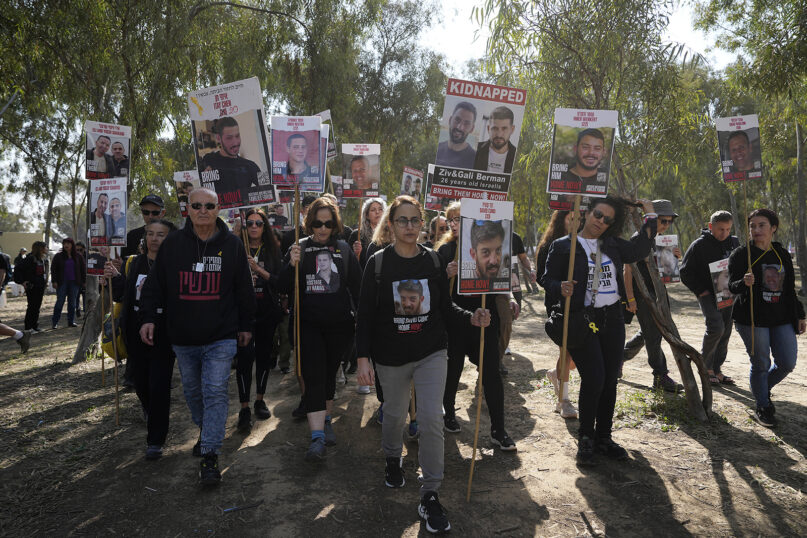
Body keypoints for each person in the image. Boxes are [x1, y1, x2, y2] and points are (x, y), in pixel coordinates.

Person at [356, 195, 490, 535]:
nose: (410, 226)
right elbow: (366, 317)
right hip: (390, 356)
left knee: (431, 419)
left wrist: (471, 317)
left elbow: (445, 307)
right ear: (390, 224)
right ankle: (391, 458)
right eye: (402, 220)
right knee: (395, 415)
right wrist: (362, 358)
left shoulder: (431, 261)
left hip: (432, 351)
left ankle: (430, 493)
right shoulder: (378, 264)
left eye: (416, 220)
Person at [139, 187, 256, 485]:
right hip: (183, 338)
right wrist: (149, 319)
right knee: (193, 393)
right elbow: (155, 286)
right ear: (187, 209)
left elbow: (244, 289)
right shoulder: (173, 244)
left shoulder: (232, 245)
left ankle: (210, 456)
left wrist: (246, 326)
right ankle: (208, 432)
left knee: (215, 391)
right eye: (197, 205)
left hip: (222, 336)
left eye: (209, 205)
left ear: (218, 209)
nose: (203, 210)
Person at [543, 197, 656, 465]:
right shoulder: (564, 246)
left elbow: (640, 248)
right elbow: (545, 278)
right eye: (598, 214)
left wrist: (649, 213)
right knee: (594, 378)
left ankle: (604, 437)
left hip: (612, 319)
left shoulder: (613, 244)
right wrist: (560, 286)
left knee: (609, 380)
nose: (600, 221)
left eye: (607, 219)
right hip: (581, 320)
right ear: (587, 212)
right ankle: (586, 438)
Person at [280, 197, 361, 461]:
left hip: (339, 326)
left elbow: (358, 287)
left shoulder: (343, 250)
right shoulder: (299, 249)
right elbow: (281, 286)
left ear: (335, 224)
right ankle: (316, 438)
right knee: (313, 375)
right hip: (307, 326)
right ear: (309, 223)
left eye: (328, 223)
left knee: (328, 375)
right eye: (317, 223)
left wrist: (361, 319)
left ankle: (326, 420)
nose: (322, 228)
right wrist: (290, 264)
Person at [437, 201, 517, 451]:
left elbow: (503, 278)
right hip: (456, 321)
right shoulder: (446, 251)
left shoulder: (491, 247)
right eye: (453, 219)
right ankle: (448, 413)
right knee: (453, 369)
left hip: (486, 318)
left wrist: (510, 294)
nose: (457, 223)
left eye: (463, 218)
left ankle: (498, 429)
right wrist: (445, 274)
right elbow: (435, 291)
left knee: (491, 372)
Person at [728, 208, 805, 427]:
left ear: (773, 228)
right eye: (752, 226)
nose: (756, 230)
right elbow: (732, 287)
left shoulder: (781, 254)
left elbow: (789, 288)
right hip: (752, 319)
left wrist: (800, 314)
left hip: (781, 318)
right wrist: (744, 282)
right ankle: (763, 405)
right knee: (761, 363)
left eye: (762, 225)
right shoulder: (742, 254)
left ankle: (761, 388)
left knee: (787, 363)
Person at [107, 219, 176, 460]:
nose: (155, 239)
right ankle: (149, 409)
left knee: (159, 385)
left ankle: (155, 440)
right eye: (150, 234)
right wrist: (114, 277)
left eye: (160, 234)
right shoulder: (134, 263)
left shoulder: (174, 264)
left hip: (163, 334)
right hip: (134, 332)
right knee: (140, 382)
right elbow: (122, 295)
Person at [622, 200, 683, 392]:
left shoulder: (663, 241)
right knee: (653, 335)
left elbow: (663, 271)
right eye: (661, 221)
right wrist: (630, 298)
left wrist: (673, 258)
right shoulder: (638, 239)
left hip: (659, 294)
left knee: (652, 332)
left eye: (668, 222)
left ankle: (619, 357)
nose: (665, 225)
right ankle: (660, 375)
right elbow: (628, 271)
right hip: (642, 296)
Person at [235, 208, 284, 432]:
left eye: (258, 223)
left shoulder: (272, 251)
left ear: (265, 227)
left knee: (263, 356)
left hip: (267, 312)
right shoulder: (236, 248)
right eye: (250, 223)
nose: (254, 227)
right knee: (244, 359)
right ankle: (244, 407)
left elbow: (279, 281)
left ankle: (259, 399)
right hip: (243, 314)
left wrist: (257, 270)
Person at [680, 210, 740, 385]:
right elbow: (685, 272)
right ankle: (705, 368)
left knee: (726, 331)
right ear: (711, 226)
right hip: (707, 294)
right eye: (721, 229)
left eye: (728, 229)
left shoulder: (734, 242)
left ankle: (717, 369)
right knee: (716, 327)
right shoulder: (699, 245)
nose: (725, 233)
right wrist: (700, 290)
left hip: (728, 294)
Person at [537, 210, 578, 418]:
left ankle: (556, 375)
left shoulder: (584, 243)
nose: (577, 222)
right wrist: (559, 287)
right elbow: (540, 278)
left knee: (573, 354)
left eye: (580, 218)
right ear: (561, 219)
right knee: (567, 349)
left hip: (581, 305)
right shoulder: (549, 246)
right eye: (572, 218)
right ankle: (564, 401)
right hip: (558, 304)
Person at [200, 116, 262, 196]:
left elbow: (268, 188)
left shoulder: (251, 165)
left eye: (237, 136)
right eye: (229, 138)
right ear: (218, 138)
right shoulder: (208, 160)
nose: (235, 142)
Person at [50, 238, 86, 329]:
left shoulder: (78, 256)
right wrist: (54, 281)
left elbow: (83, 270)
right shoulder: (58, 256)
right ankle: (55, 322)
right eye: (65, 243)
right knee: (60, 302)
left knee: (72, 303)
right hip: (62, 282)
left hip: (74, 282)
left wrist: (84, 281)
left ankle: (71, 321)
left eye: (68, 243)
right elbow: (53, 269)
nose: (66, 245)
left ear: (72, 245)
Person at [473, 106, 517, 174]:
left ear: (512, 129)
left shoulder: (517, 156)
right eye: (495, 128)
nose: (499, 135)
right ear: (488, 129)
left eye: (504, 129)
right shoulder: (474, 150)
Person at [15, 241, 48, 331]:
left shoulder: (43, 259)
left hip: (40, 286)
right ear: (40, 248)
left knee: (37, 306)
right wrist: (23, 281)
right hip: (32, 286)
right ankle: (28, 327)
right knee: (32, 306)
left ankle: (34, 325)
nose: (47, 249)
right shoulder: (29, 259)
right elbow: (18, 270)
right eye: (45, 247)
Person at [436, 101, 477, 169]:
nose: (460, 127)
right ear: (450, 120)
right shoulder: (437, 149)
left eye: (466, 123)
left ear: (472, 129)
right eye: (457, 120)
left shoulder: (475, 160)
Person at [349, 198, 386, 269]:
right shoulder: (357, 235)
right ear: (367, 215)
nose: (377, 212)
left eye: (380, 209)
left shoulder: (390, 235)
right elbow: (349, 263)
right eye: (373, 210)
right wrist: (356, 254)